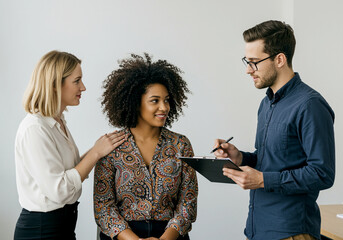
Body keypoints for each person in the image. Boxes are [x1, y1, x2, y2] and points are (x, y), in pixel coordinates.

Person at [214, 20, 335, 240]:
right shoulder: (266, 104)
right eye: (246, 61)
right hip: (258, 229)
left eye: (254, 62)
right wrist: (240, 157)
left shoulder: (310, 105)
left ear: (279, 59)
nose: (248, 70)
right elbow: (273, 160)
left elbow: (322, 173)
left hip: (292, 232)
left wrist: (262, 180)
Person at [14, 50, 127, 240]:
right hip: (41, 231)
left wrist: (98, 148)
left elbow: (69, 170)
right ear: (55, 85)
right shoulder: (35, 128)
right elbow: (59, 190)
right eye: (77, 81)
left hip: (62, 228)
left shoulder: (57, 122)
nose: (83, 87)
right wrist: (95, 153)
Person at [94, 53, 198, 240]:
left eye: (166, 100)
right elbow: (103, 206)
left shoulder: (180, 145)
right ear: (135, 102)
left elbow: (188, 202)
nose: (164, 107)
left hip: (170, 235)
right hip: (123, 236)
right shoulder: (111, 146)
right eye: (155, 100)